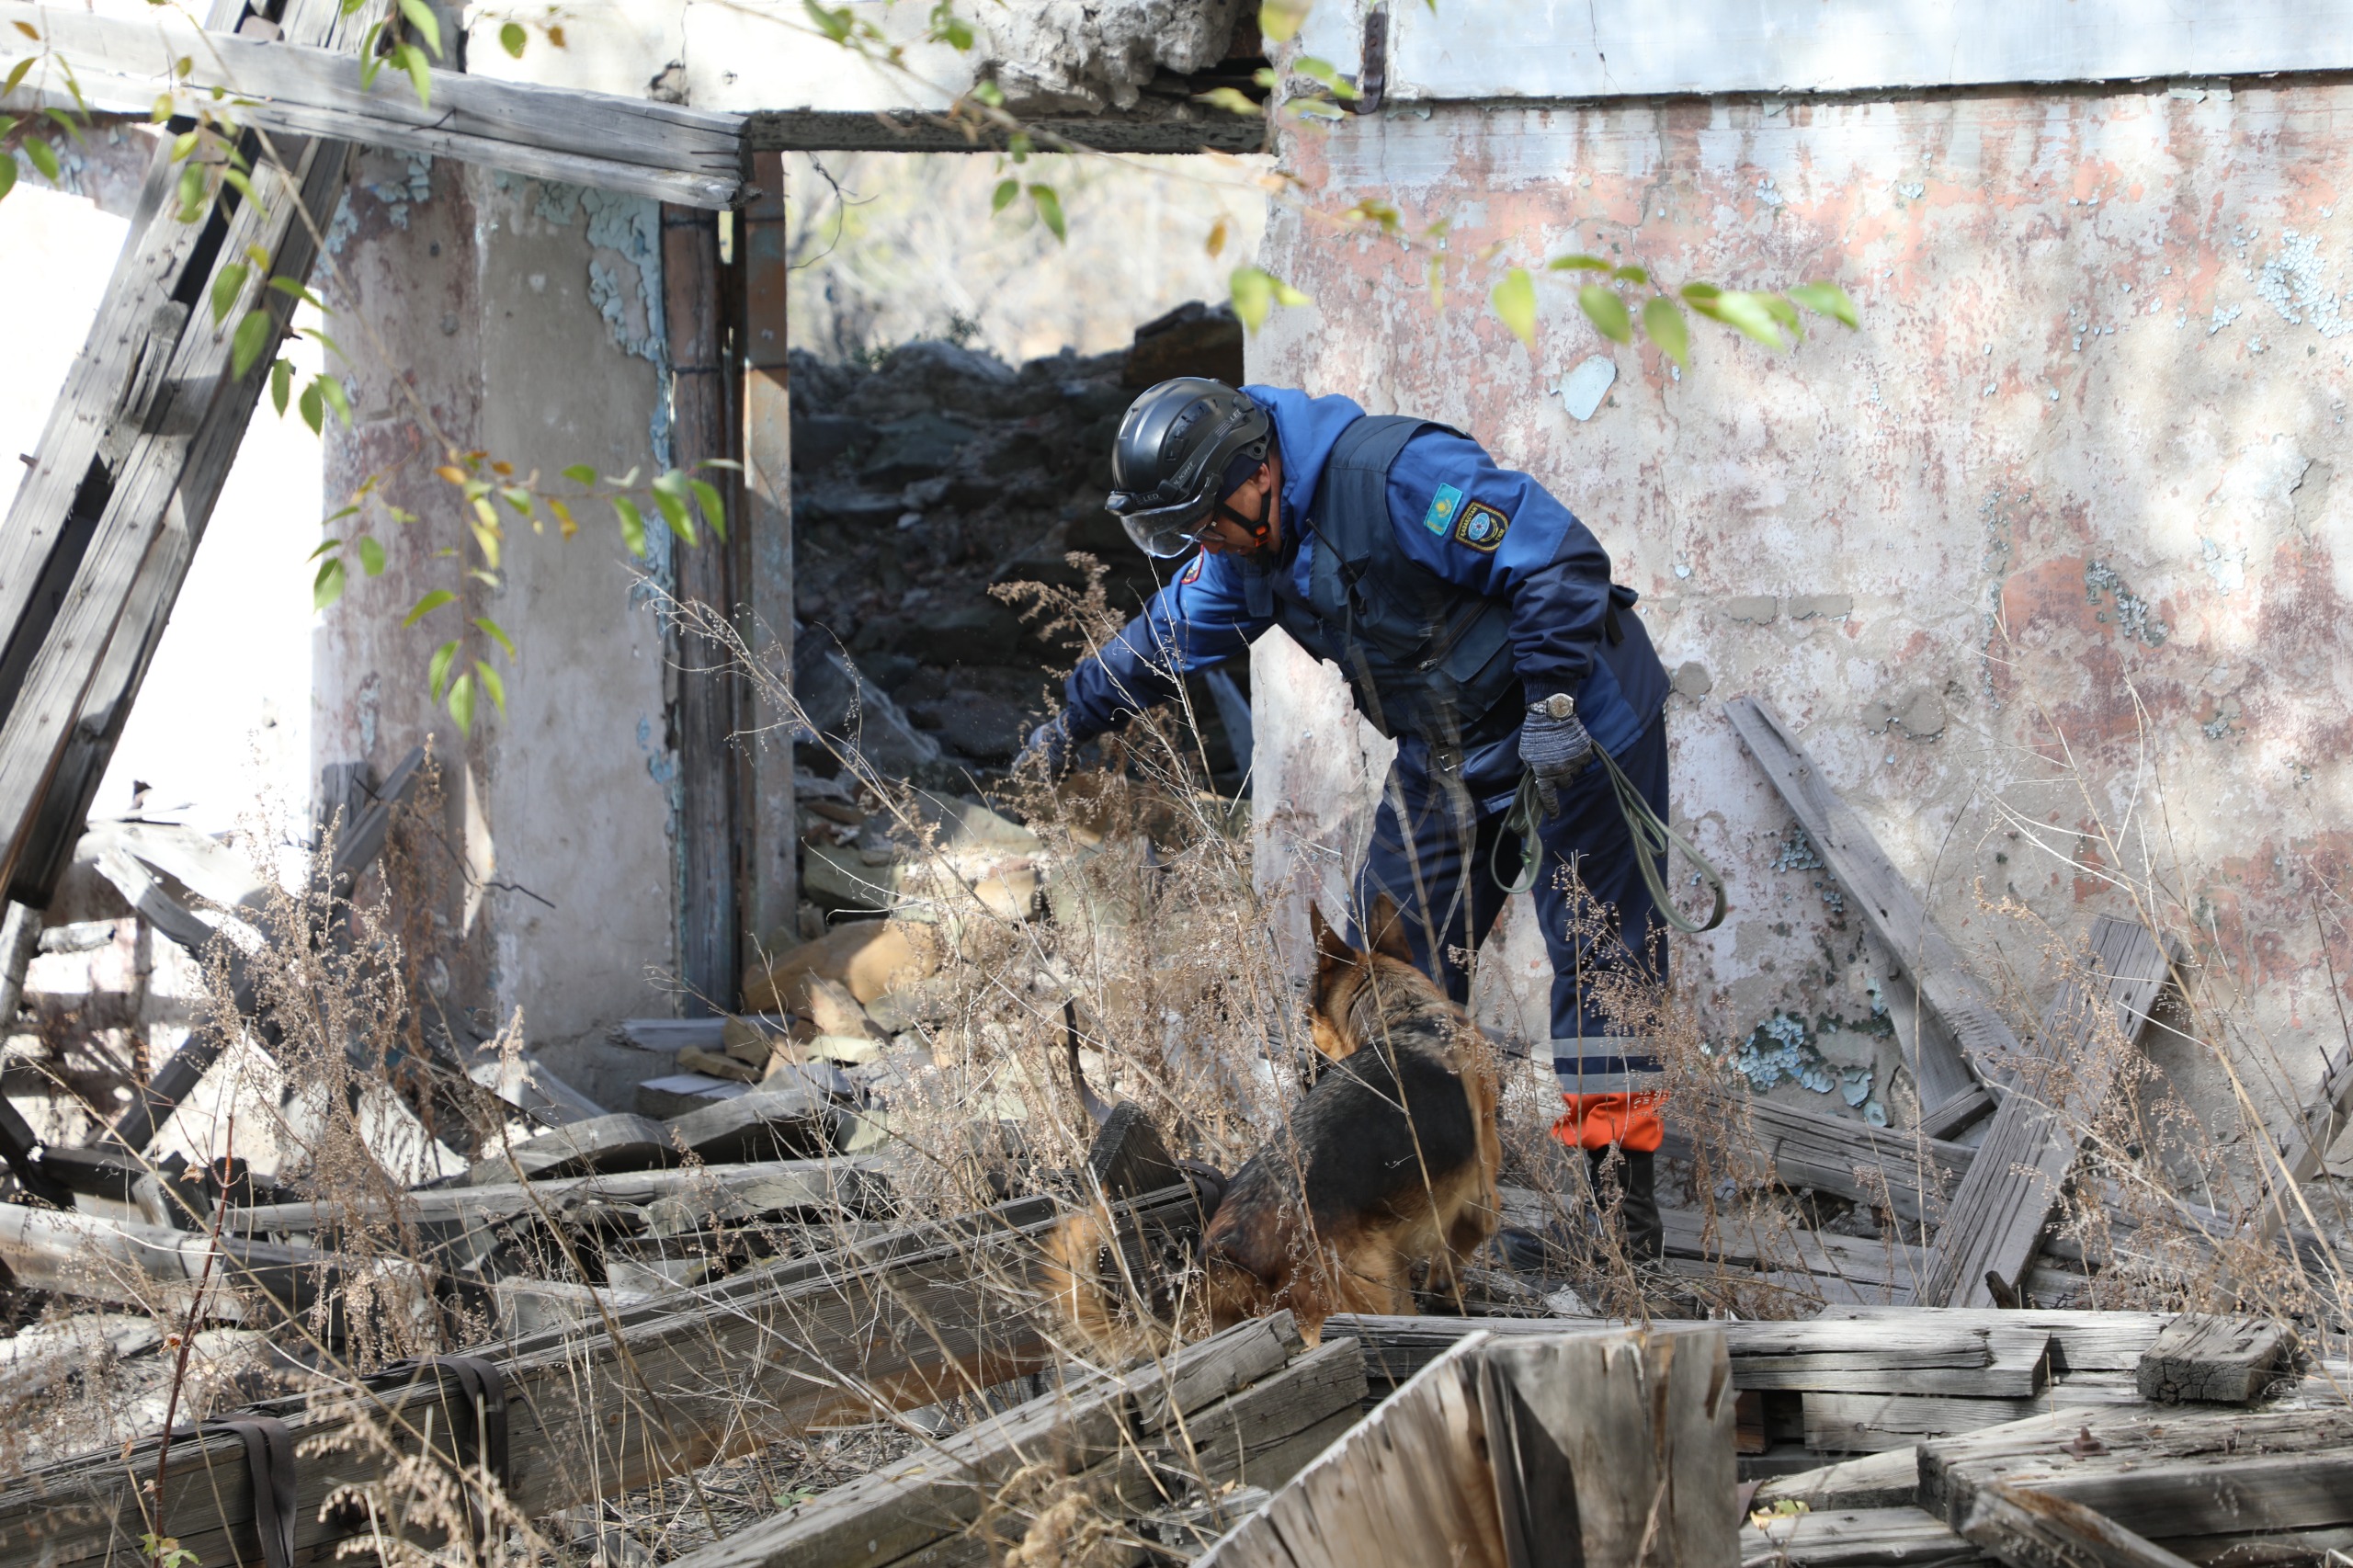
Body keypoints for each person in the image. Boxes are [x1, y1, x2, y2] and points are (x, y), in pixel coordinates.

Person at [1017, 378, 1675, 1262]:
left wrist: (1554, 709)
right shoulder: (1250, 551)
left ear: (1260, 474)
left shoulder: (1397, 477)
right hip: (1450, 747)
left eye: (1209, 520)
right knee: (1377, 973)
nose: (1204, 543)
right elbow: (1170, 629)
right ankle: (1401, 1215)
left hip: (1579, 717)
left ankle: (1621, 1231)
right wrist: (1075, 716)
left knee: (1603, 968)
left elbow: (1559, 558)